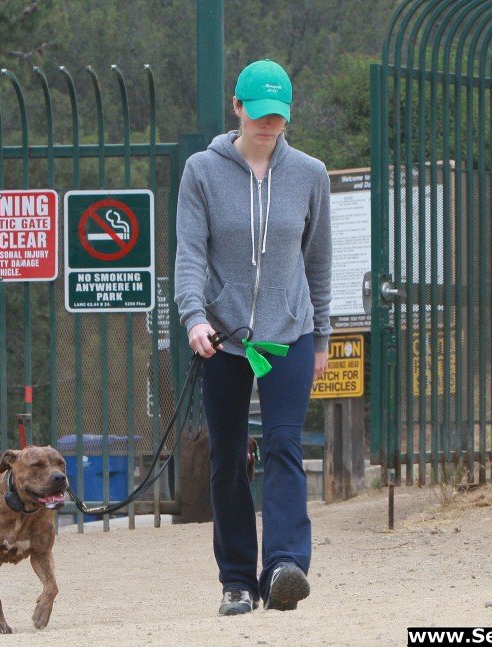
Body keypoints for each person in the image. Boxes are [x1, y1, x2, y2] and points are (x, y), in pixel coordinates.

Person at [174, 58, 332, 616]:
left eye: (279, 117)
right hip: (223, 337)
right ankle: (238, 578)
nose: (269, 125)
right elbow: (190, 254)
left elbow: (318, 262)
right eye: (259, 114)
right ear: (237, 108)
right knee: (228, 456)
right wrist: (194, 317)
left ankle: (285, 565)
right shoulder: (201, 170)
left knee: (285, 445)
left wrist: (322, 337)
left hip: (289, 334)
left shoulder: (311, 174)